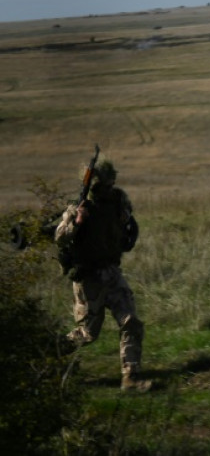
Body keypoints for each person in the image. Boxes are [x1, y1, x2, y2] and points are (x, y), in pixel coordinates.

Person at [55, 160, 152, 392]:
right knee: (87, 333)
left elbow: (128, 227)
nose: (107, 189)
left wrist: (124, 222)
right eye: (103, 186)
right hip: (88, 278)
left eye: (110, 184)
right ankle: (51, 353)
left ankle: (130, 377)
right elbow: (59, 237)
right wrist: (77, 222)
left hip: (111, 271)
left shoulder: (118, 201)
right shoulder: (79, 207)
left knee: (131, 321)